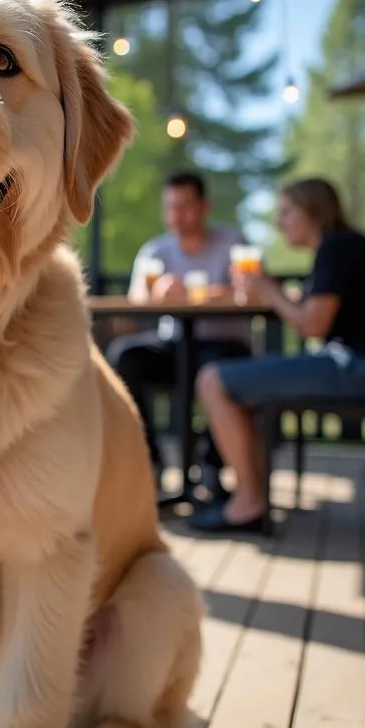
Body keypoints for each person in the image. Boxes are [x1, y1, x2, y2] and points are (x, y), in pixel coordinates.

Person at [191, 177, 365, 532]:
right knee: (235, 384)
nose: (280, 223)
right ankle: (250, 494)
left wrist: (267, 288)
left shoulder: (337, 249)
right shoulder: (344, 249)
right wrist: (275, 292)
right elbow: (315, 312)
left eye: (286, 213)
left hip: (362, 369)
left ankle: (247, 502)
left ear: (312, 213)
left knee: (212, 380)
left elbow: (313, 325)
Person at [106, 171, 250, 493]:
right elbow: (136, 303)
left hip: (222, 343)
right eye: (171, 208)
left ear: (204, 207)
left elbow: (249, 291)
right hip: (172, 345)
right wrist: (158, 296)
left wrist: (196, 293)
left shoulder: (232, 243)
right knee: (126, 357)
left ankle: (212, 465)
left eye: (186, 206)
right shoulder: (155, 252)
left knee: (227, 367)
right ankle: (151, 461)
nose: (178, 215)